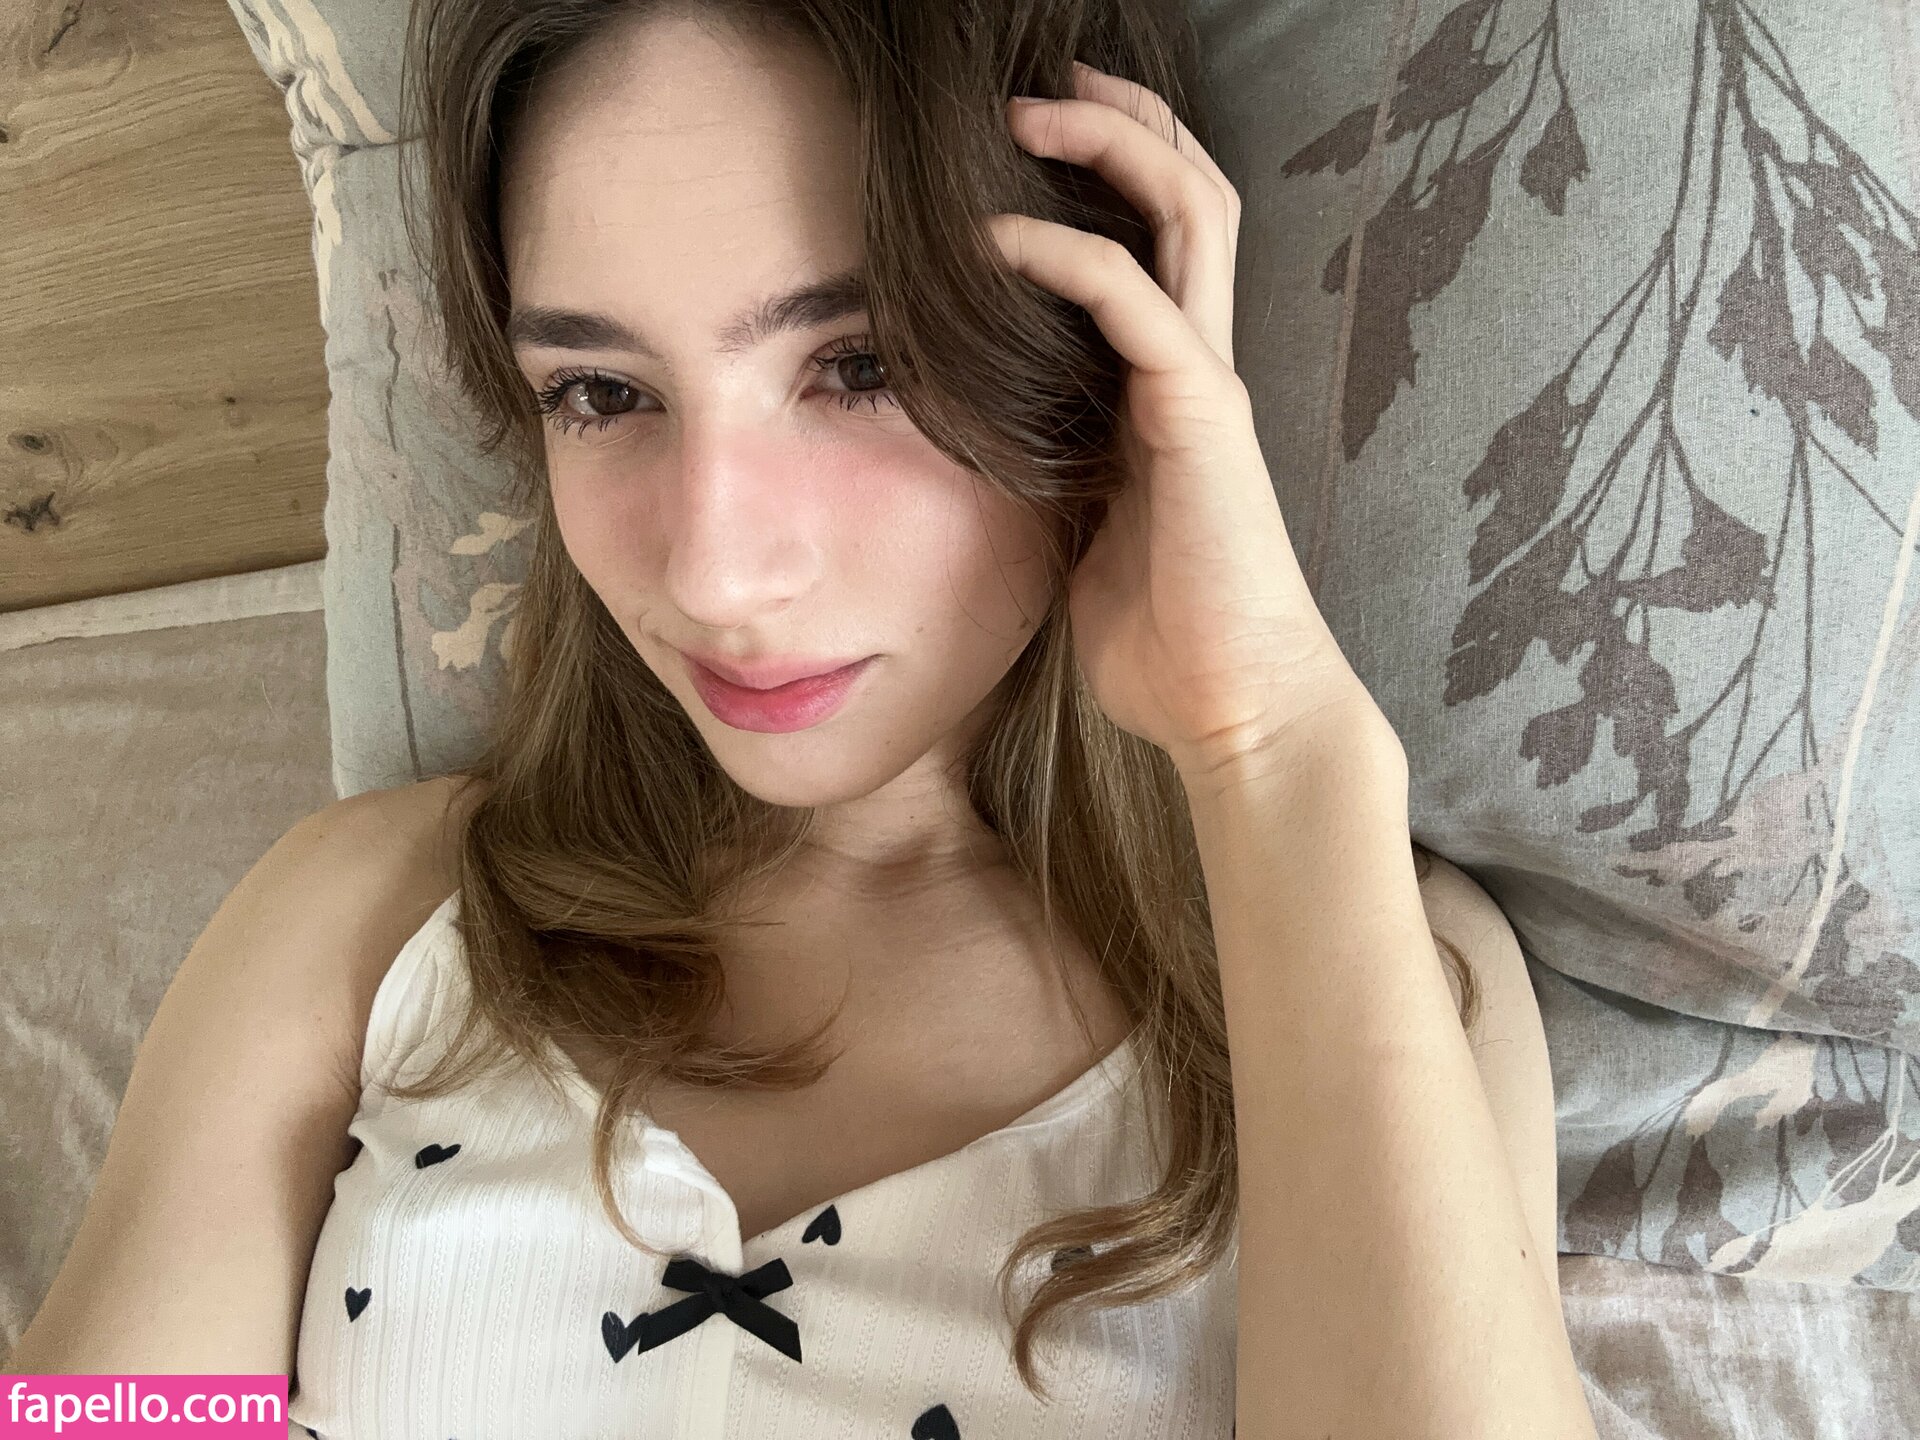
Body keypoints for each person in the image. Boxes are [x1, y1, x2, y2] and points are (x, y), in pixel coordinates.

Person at [9, 1, 1597, 1435]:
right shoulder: (365, 923)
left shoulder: (1365, 961)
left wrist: (1272, 743)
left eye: (864, 365)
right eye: (602, 393)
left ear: (1096, 361)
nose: (713, 572)